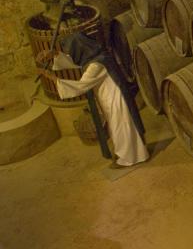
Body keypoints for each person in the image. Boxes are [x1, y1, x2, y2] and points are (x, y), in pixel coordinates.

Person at [37, 32, 149, 168]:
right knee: (120, 126)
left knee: (121, 126)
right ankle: (133, 154)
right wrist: (54, 54)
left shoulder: (96, 65)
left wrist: (51, 77)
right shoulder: (96, 55)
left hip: (114, 97)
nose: (72, 55)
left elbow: (81, 86)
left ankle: (128, 158)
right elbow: (76, 62)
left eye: (73, 51)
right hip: (110, 95)